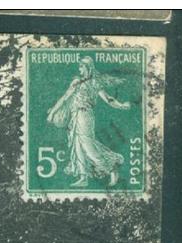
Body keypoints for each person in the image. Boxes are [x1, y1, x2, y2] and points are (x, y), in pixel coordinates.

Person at [46, 55, 132, 188]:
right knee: (77, 146)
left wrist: (121, 106)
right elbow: (64, 98)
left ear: (88, 68)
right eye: (79, 66)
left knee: (87, 145)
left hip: (85, 116)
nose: (80, 69)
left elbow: (108, 98)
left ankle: (111, 169)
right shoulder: (76, 82)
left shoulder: (94, 83)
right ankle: (83, 177)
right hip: (75, 117)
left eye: (81, 66)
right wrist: (52, 113)